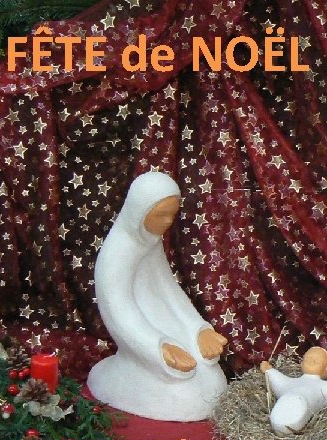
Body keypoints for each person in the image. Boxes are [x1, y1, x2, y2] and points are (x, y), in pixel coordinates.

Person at [87, 172, 228, 421]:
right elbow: (118, 310)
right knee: (185, 391)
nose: (168, 222)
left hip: (160, 319)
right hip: (140, 333)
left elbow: (168, 289)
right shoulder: (116, 254)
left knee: (208, 373)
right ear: (139, 212)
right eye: (161, 215)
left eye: (172, 214)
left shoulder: (150, 241)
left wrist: (198, 329)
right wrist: (156, 347)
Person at [260, 347, 327, 436]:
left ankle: (289, 423)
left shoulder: (323, 388)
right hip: (286, 398)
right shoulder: (290, 382)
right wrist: (269, 371)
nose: (312, 361)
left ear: (326, 368)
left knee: (302, 404)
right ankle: (280, 422)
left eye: (317, 360)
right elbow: (280, 382)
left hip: (304, 404)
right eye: (308, 358)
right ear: (301, 364)